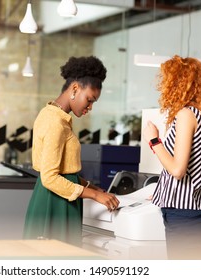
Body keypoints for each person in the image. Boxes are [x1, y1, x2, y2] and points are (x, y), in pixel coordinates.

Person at [23, 56, 120, 247]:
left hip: (58, 198)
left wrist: (89, 186)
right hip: (56, 202)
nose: (90, 107)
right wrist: (94, 195)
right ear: (75, 88)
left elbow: (62, 169)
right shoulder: (56, 123)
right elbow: (50, 177)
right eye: (89, 100)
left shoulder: (51, 114)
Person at [143, 55, 201, 259]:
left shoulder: (186, 115)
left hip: (184, 219)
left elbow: (178, 170)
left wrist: (154, 141)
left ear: (178, 82)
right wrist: (165, 191)